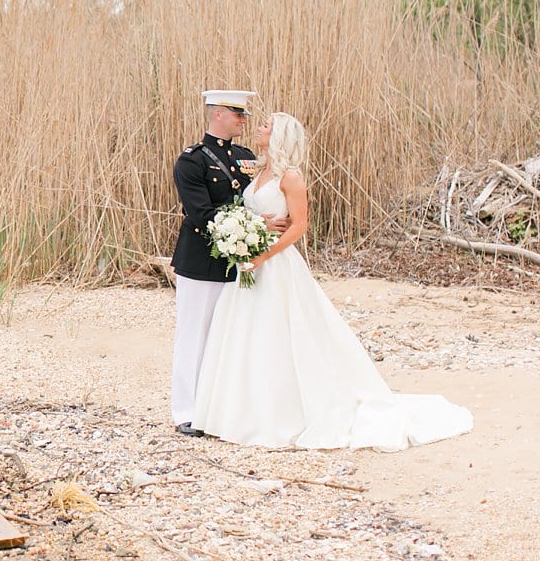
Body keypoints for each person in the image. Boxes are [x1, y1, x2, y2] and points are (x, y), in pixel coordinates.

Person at [193, 112, 473, 450]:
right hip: (250, 260)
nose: (258, 128)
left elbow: (299, 225)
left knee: (279, 331)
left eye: (266, 125)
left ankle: (281, 415)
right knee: (247, 332)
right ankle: (241, 413)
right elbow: (255, 211)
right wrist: (249, 230)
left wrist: (264, 255)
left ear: (280, 135)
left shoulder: (291, 177)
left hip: (275, 263)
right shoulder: (258, 168)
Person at [169, 89, 270, 437]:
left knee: (229, 336)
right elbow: (200, 213)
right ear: (217, 115)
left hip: (238, 261)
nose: (243, 119)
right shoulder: (192, 161)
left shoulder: (245, 157)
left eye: (244, 114)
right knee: (194, 334)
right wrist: (251, 226)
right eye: (237, 113)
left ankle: (222, 407)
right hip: (200, 260)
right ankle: (186, 411)